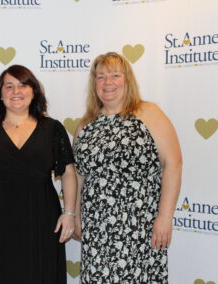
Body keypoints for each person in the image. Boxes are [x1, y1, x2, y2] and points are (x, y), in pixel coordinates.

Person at [0, 65, 77, 284]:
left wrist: (69, 212)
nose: (16, 91)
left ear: (34, 92)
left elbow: (68, 173)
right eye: (9, 86)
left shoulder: (53, 128)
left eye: (23, 85)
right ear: (0, 94)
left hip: (41, 216)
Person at [73, 52, 182, 284]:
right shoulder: (86, 124)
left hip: (140, 225)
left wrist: (164, 217)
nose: (107, 82)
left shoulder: (149, 113)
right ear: (94, 84)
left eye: (115, 75)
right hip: (97, 228)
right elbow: (79, 176)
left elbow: (173, 164)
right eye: (101, 77)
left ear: (127, 80)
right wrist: (76, 215)